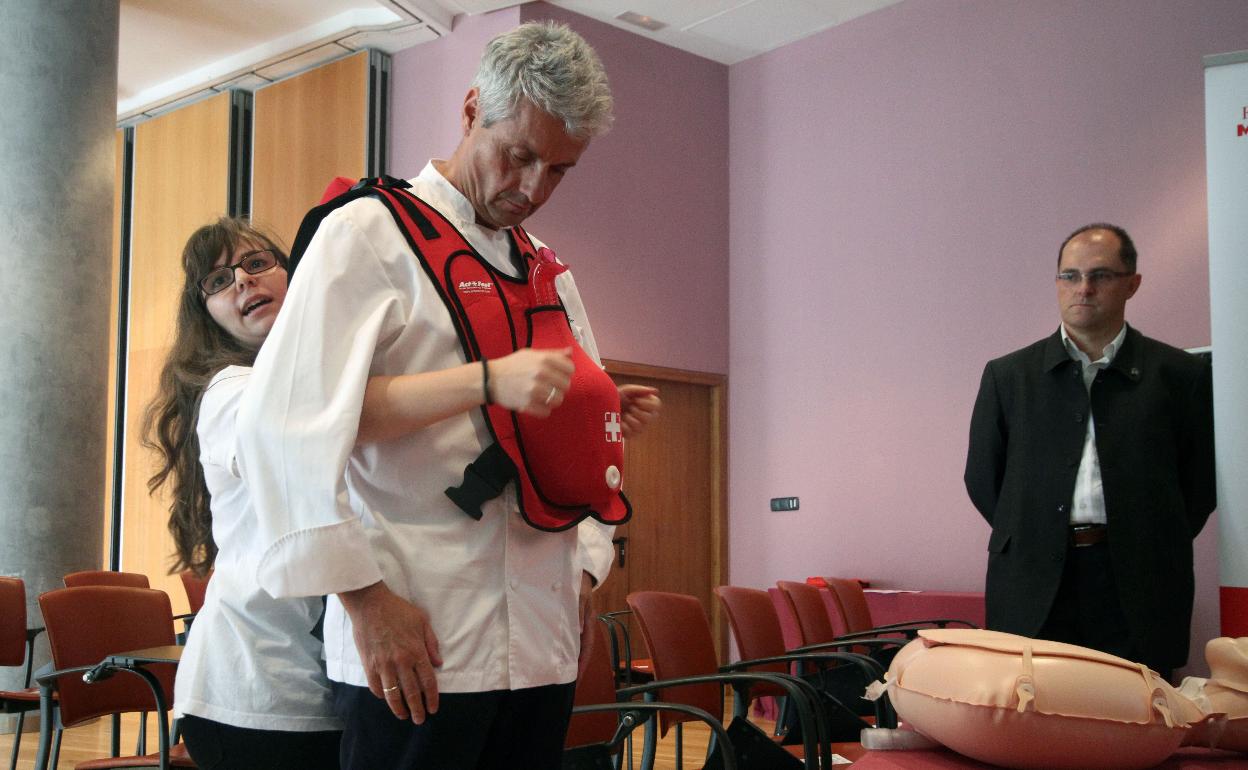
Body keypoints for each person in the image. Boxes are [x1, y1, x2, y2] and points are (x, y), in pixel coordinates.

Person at [235, 21, 660, 769]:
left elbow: (581, 434)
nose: (532, 188)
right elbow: (285, 425)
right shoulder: (366, 236)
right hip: (418, 639)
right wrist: (363, 600)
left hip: (542, 643)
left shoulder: (550, 274)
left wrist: (586, 567)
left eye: (559, 170)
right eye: (519, 155)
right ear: (471, 112)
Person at [964, 222, 1216, 680]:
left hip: (1140, 581)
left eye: (1100, 275)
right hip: (1034, 579)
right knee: (1033, 720)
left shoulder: (1181, 376)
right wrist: (1033, 533)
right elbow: (983, 478)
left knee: (1136, 721)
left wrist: (1152, 536)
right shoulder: (1009, 377)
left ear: (1132, 284)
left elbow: (1201, 485)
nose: (1083, 288)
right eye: (1070, 276)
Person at [144, 218, 342, 769]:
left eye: (257, 264)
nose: (243, 283)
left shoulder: (318, 374)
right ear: (206, 313)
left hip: (327, 685)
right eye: (218, 281)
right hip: (256, 694)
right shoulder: (234, 391)